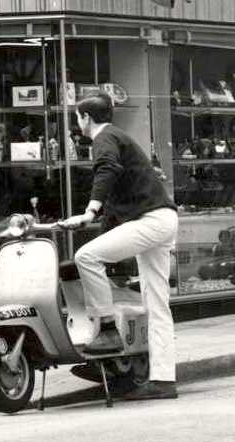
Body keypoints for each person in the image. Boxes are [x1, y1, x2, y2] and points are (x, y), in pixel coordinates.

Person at [59, 92, 179, 400]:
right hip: (162, 219)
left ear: (85, 118)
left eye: (77, 117)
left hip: (150, 222)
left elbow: (107, 170)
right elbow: (114, 210)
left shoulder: (104, 138)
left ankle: (108, 329)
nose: (77, 122)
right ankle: (163, 380)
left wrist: (88, 211)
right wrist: (96, 223)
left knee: (85, 256)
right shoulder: (118, 136)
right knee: (157, 304)